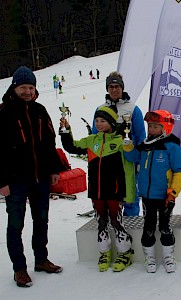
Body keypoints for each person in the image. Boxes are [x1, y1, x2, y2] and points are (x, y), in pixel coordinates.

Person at [0, 66, 64, 288]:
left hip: (40, 177)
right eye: (23, 87)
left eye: (31, 87)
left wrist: (53, 170)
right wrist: (1, 182)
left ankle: (41, 259)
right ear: (14, 87)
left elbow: (50, 142)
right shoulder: (0, 113)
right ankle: (19, 269)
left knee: (41, 220)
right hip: (15, 181)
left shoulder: (40, 110)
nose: (27, 91)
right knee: (16, 225)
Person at [60, 106, 133, 272]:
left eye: (103, 121)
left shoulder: (120, 140)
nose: (99, 124)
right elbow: (71, 147)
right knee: (101, 221)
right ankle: (104, 252)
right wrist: (65, 130)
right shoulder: (91, 140)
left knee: (116, 221)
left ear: (112, 123)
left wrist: (127, 135)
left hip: (115, 190)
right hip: (97, 191)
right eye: (97, 121)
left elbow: (131, 154)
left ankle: (125, 252)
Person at [122, 110, 181, 273]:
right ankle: (149, 258)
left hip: (165, 196)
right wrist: (128, 147)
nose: (151, 129)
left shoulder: (171, 147)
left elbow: (179, 171)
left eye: (156, 126)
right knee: (148, 228)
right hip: (147, 196)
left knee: (165, 227)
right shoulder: (144, 146)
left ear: (166, 127)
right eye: (150, 126)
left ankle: (168, 257)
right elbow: (132, 158)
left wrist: (173, 192)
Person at [92, 71, 146, 216]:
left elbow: (141, 137)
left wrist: (139, 158)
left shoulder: (133, 109)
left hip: (128, 160)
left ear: (122, 88)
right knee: (110, 198)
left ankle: (132, 227)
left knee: (130, 197)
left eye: (117, 86)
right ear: (107, 89)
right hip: (107, 161)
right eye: (111, 86)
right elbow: (94, 137)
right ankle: (113, 228)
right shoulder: (100, 109)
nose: (114, 90)